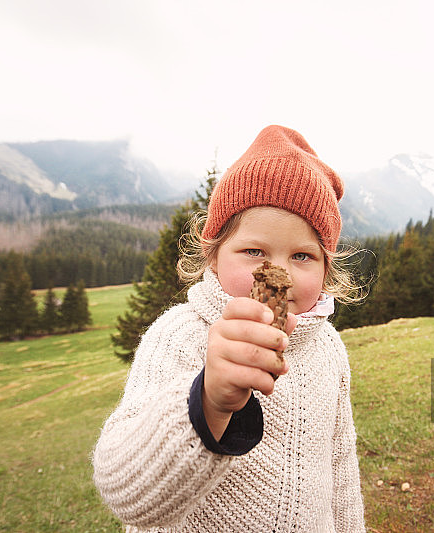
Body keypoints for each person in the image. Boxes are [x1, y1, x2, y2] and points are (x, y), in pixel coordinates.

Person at [92, 125, 366, 532]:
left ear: (327, 270)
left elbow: (340, 465)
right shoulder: (178, 337)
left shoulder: (327, 348)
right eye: (253, 251)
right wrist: (209, 400)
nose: (279, 275)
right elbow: (128, 495)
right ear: (213, 256)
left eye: (303, 256)